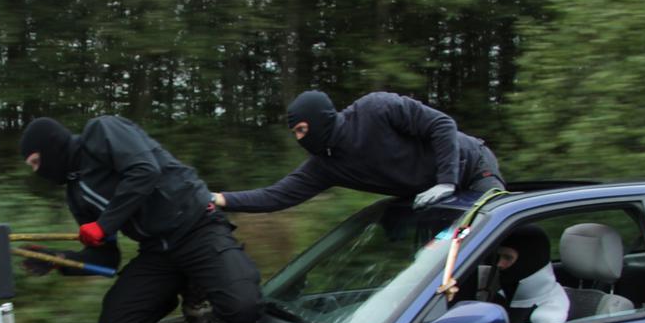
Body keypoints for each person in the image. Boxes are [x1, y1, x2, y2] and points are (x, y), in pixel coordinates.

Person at [19, 115, 262, 323]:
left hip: (196, 227)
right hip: (157, 252)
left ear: (51, 146)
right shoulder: (76, 196)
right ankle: (176, 286)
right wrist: (58, 260)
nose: (36, 171)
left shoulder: (101, 131)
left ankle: (203, 280)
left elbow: (145, 171)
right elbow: (106, 260)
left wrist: (104, 224)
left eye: (36, 162)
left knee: (242, 308)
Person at [213, 90, 504, 213]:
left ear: (319, 120)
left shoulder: (375, 109)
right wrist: (219, 199)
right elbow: (275, 196)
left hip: (472, 166)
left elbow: (441, 125)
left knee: (496, 235)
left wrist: (446, 181)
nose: (300, 139)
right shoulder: (325, 165)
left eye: (302, 130)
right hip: (428, 197)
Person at [487, 224, 568, 323]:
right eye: (499, 257)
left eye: (507, 257)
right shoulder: (507, 293)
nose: (500, 264)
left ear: (529, 261)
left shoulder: (549, 313)